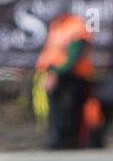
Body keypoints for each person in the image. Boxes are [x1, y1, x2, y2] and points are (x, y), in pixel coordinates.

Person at [36, 11, 94, 150]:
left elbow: (73, 58)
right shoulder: (55, 25)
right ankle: (55, 141)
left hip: (73, 76)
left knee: (72, 111)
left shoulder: (76, 27)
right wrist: (48, 72)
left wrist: (55, 74)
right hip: (52, 73)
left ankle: (70, 144)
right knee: (53, 109)